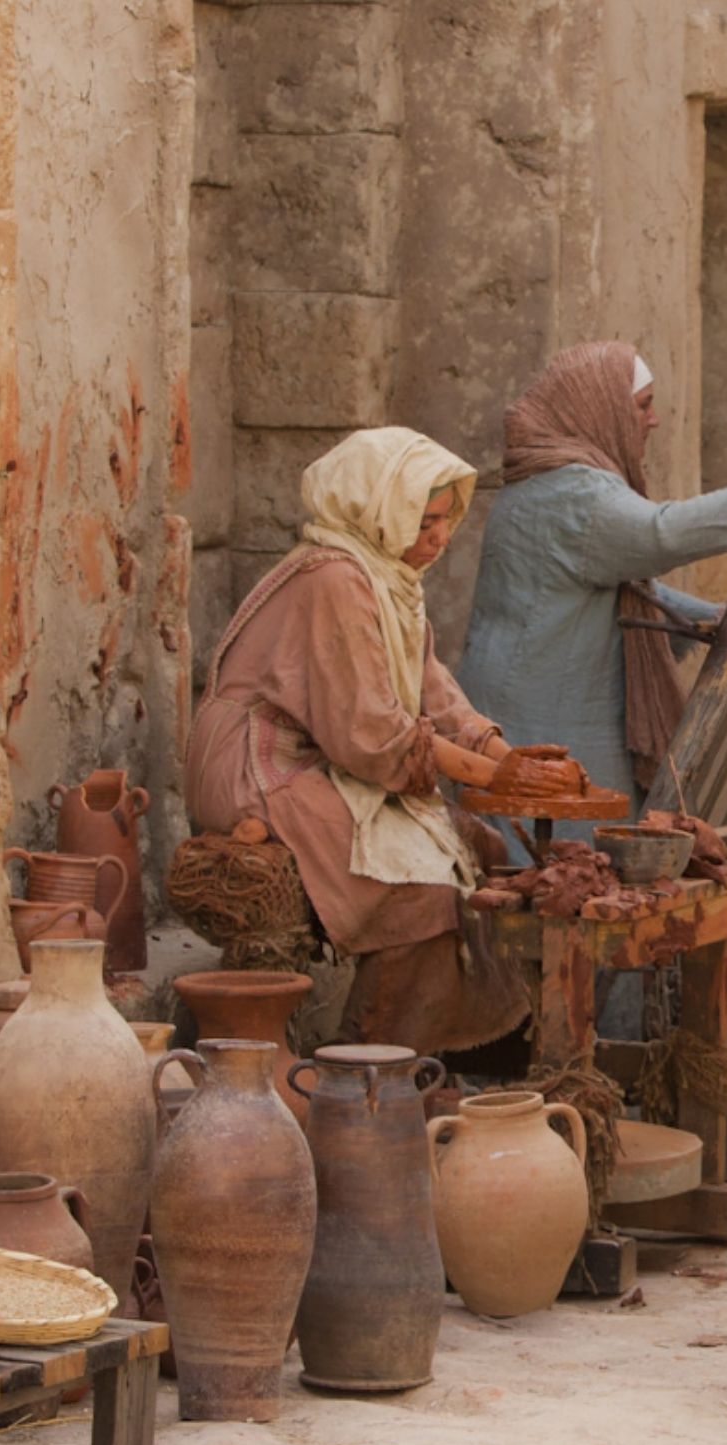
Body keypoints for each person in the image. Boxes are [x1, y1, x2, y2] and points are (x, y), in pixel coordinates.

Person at [185, 427, 582, 1055]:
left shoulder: (387, 577)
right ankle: (366, 1077)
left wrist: (503, 754)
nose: (440, 537)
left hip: (322, 758)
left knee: (478, 846)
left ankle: (425, 1060)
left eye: (447, 521)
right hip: (258, 768)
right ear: (379, 511)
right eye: (425, 520)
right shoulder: (334, 579)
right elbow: (369, 734)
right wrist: (487, 779)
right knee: (420, 894)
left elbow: (432, 691)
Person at [459, 340, 727, 829]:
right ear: (601, 408)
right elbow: (659, 535)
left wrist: (713, 617)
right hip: (540, 705)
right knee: (552, 849)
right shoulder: (571, 492)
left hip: (532, 691)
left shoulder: (551, 484)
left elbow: (628, 590)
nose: (652, 420)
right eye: (643, 405)